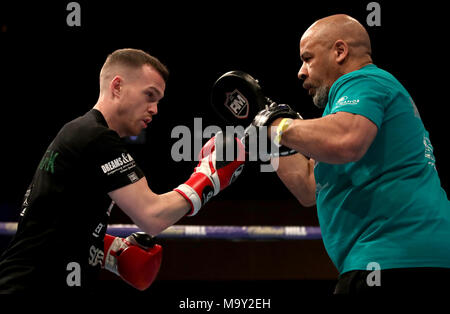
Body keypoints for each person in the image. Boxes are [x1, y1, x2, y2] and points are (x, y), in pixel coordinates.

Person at [0, 48, 245, 293]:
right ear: (117, 87)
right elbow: (153, 216)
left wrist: (107, 250)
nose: (155, 109)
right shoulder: (96, 138)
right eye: (149, 95)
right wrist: (209, 175)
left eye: (158, 101)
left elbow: (45, 221)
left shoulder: (78, 133)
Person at [261, 14, 450, 294]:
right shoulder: (343, 112)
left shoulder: (365, 80)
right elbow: (308, 186)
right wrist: (261, 129)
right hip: (391, 260)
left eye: (307, 58)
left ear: (340, 51)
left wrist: (275, 125)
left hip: (397, 259)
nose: (301, 72)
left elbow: (346, 140)